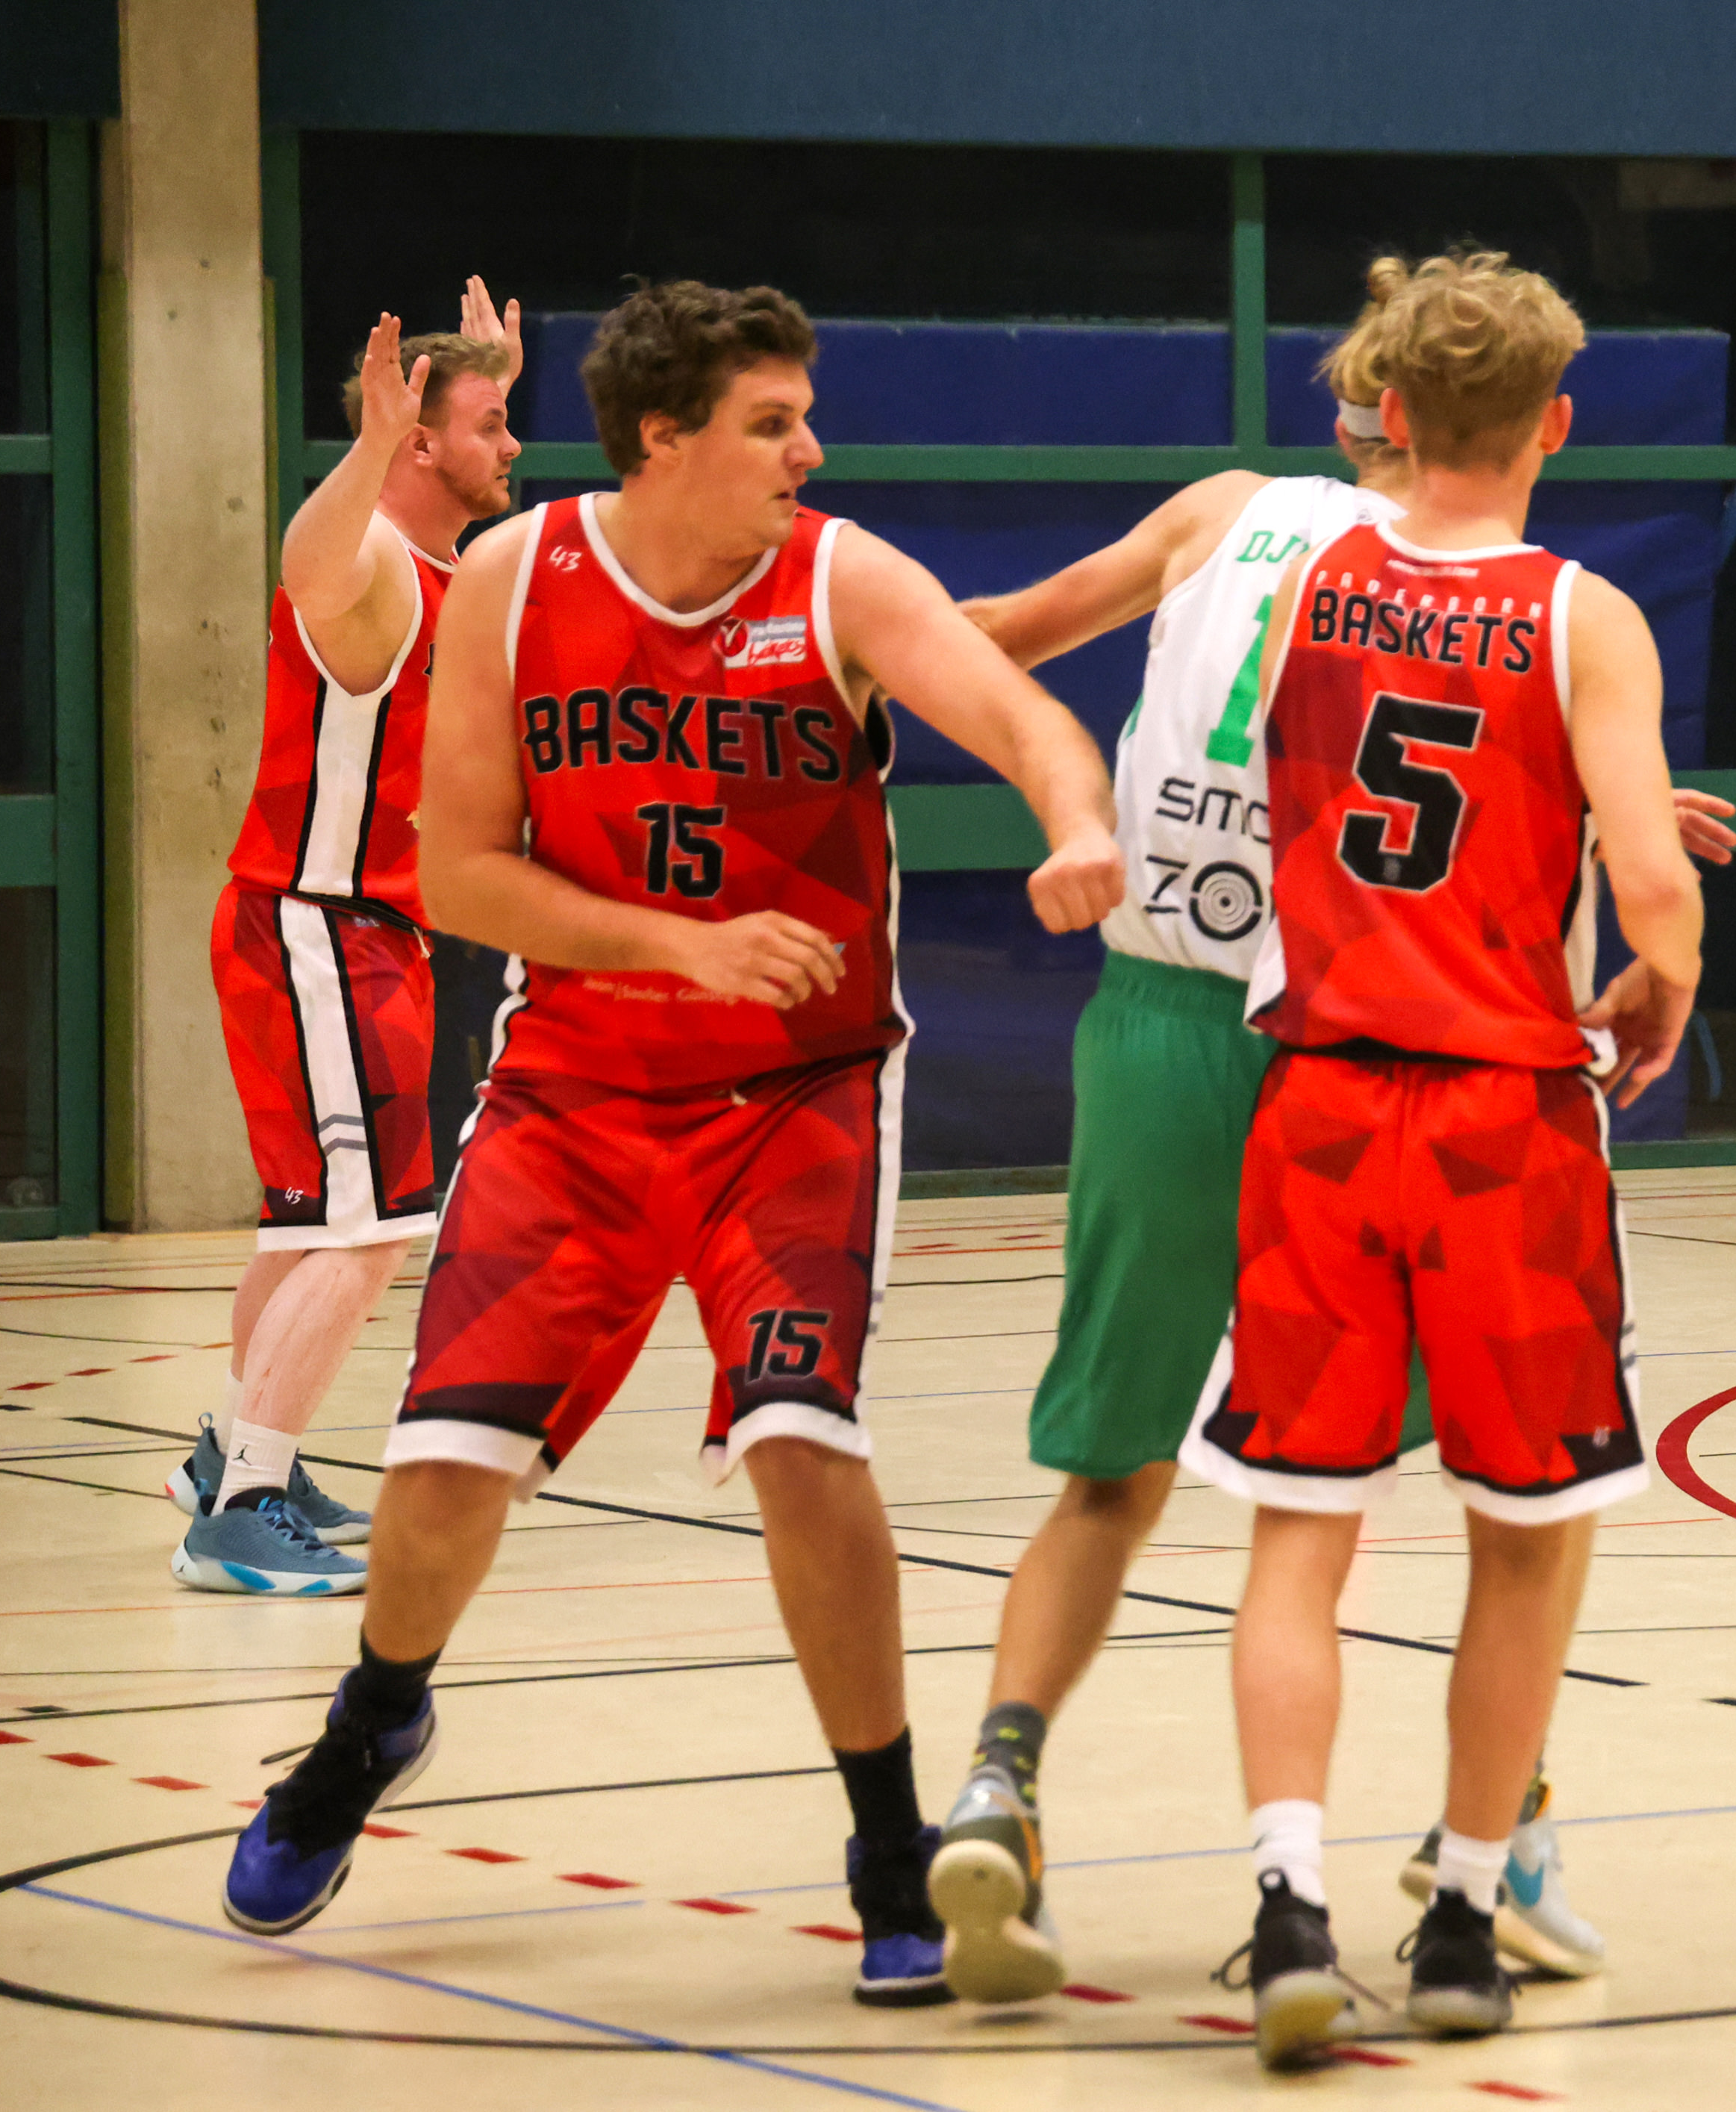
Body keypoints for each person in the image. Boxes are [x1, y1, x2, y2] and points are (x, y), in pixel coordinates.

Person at [216, 281, 1127, 2010]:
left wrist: (1075, 819)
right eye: (775, 422)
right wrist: (677, 946)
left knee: (800, 1436)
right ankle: (371, 1719)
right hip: (575, 1089)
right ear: (663, 437)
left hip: (798, 1095)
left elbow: (1018, 715)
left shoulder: (839, 578)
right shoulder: (516, 577)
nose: (811, 449)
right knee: (443, 1471)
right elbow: (462, 873)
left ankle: (887, 1847)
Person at [919, 304, 1735, 2007]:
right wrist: (1607, 809)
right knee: (1527, 1501)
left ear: (1377, 409)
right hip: (1419, 1060)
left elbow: (988, 641)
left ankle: (1006, 1775)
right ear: (1539, 420)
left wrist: (822, 634)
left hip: (1194, 1031)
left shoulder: (1239, 535)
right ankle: (1495, 1844)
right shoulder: (1540, 601)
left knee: (1143, 1476)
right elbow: (1532, 810)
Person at [1178, 250, 1702, 2065]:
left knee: (1298, 1535)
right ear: (1557, 424)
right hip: (1502, 1119)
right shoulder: (1584, 615)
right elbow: (1651, 876)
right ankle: (1470, 1914)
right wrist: (1664, 972)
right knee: (1527, 1538)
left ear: (1388, 414)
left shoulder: (1303, 581)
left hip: (1323, 1101)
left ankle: (1287, 1901)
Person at [178, 284, 525, 1595]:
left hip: (337, 933)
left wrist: (482, 377)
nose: (511, 445)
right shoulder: (370, 555)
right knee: (372, 1232)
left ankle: (229, 1457)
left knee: (304, 1231)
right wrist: (376, 445)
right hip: (320, 927)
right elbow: (308, 563)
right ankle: (240, 1508)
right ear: (420, 443)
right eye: (490, 425)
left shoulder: (447, 570)